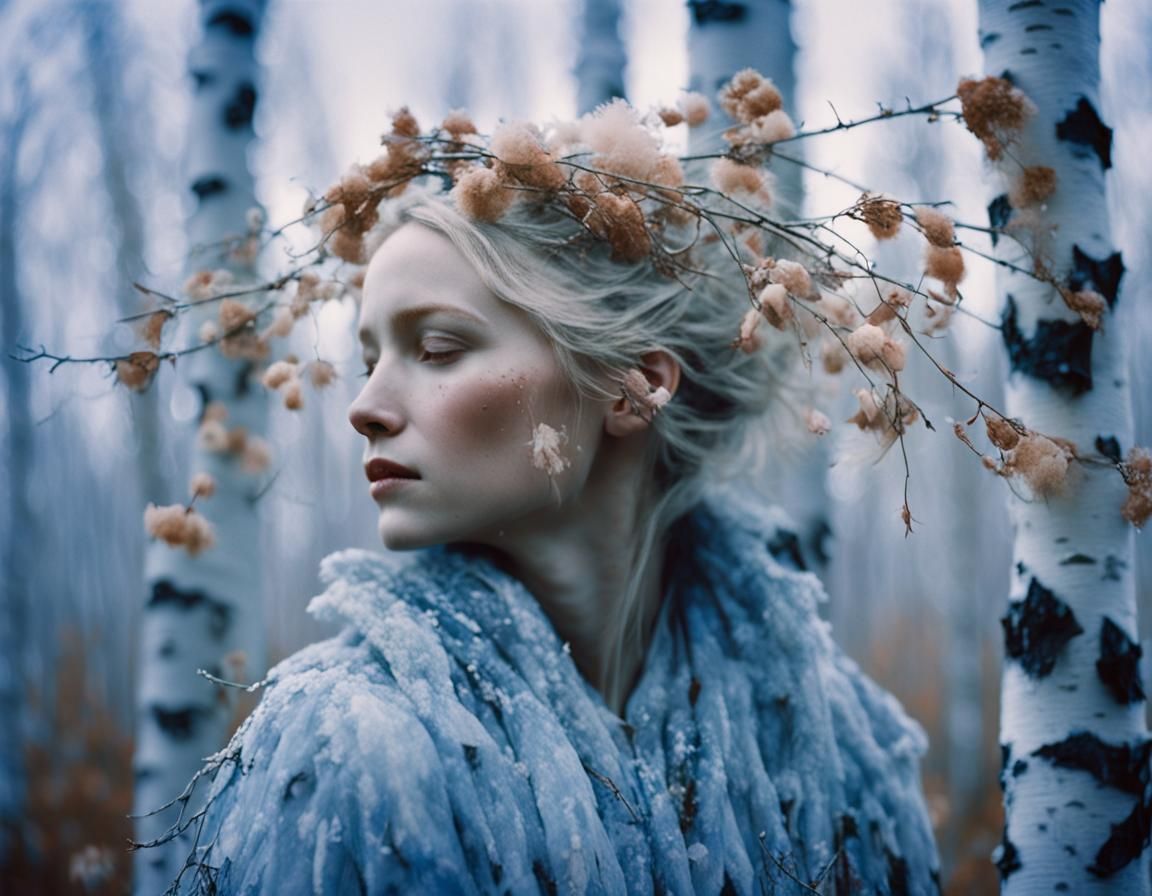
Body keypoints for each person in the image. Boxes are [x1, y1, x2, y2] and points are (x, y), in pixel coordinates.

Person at [160, 98, 940, 894]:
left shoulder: (827, 744)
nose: (365, 406)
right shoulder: (359, 755)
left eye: (435, 348)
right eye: (369, 360)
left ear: (634, 388)